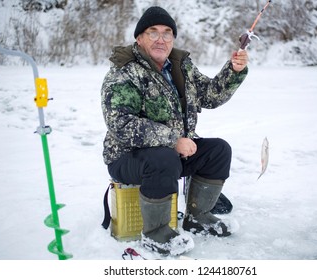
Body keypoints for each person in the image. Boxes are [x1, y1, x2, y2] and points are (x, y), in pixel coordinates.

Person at [101, 6, 248, 256]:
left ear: (173, 38)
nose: (161, 39)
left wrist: (233, 71)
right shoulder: (124, 72)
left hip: (170, 155)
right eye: (153, 32)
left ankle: (197, 216)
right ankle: (157, 234)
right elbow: (121, 125)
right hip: (127, 158)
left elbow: (210, 96)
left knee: (218, 150)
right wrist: (173, 140)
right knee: (164, 158)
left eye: (167, 33)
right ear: (139, 38)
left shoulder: (180, 66)